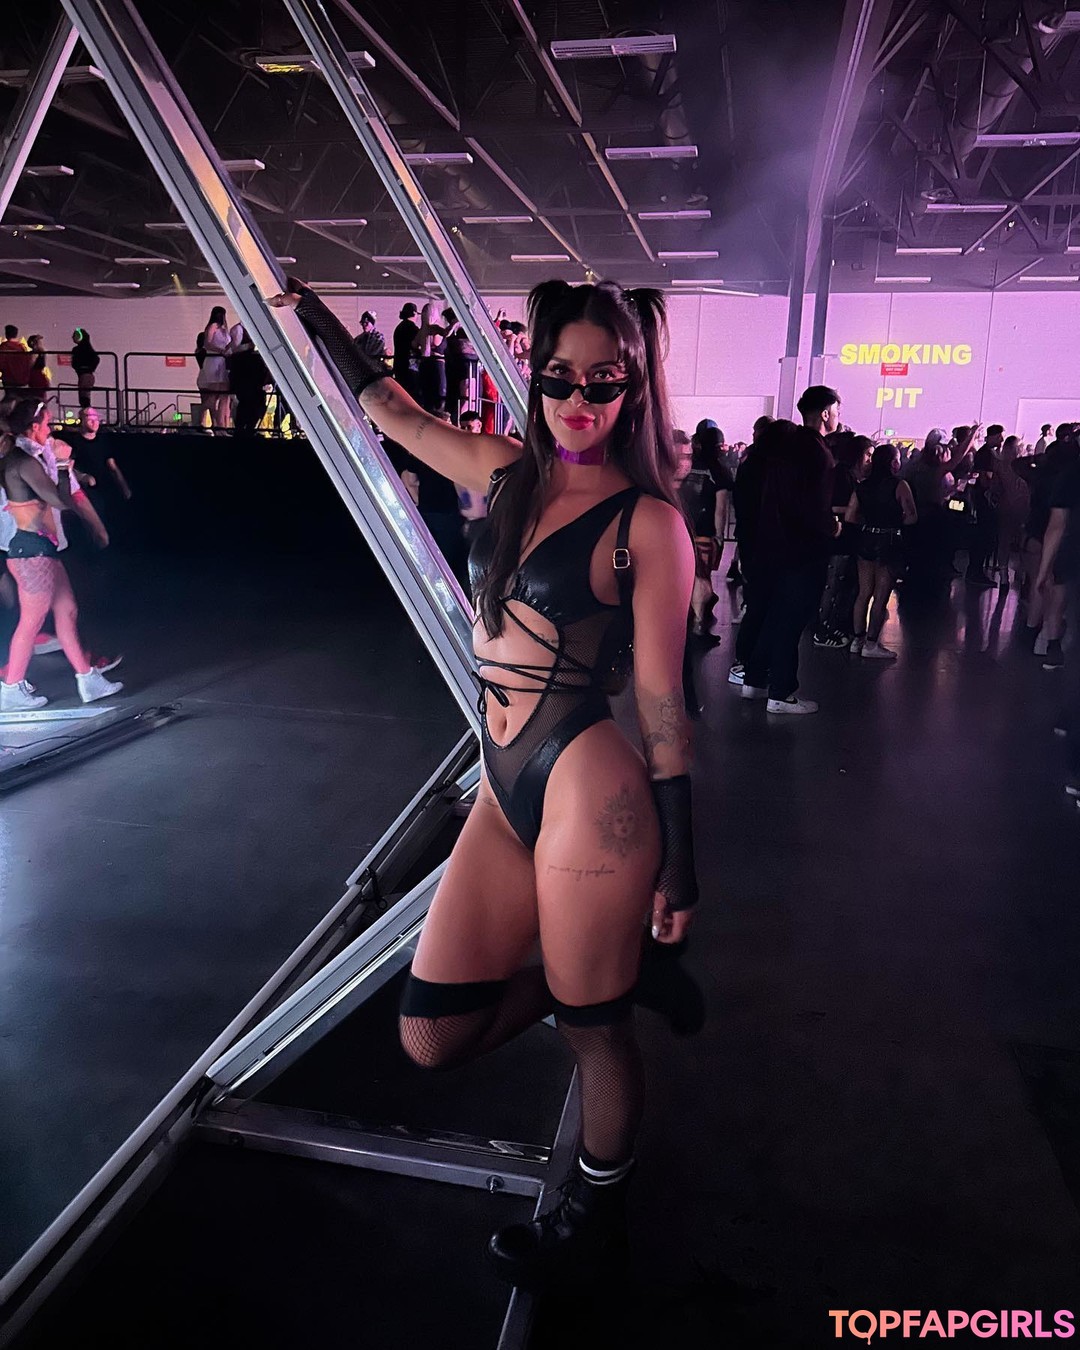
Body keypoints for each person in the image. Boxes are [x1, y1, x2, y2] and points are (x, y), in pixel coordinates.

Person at [270, 274, 699, 1288]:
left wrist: (681, 868)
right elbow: (397, 416)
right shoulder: (507, 472)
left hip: (589, 786)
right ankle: (612, 972)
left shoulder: (649, 524)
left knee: (593, 1035)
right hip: (503, 786)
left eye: (605, 381)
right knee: (431, 1032)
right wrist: (319, 321)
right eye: (559, 378)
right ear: (535, 377)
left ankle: (597, 1220)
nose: (579, 401)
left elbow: (662, 703)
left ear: (635, 388)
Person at [0, 400, 122, 711]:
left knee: (67, 611)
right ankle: (11, 687)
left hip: (42, 549)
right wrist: (66, 466)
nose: (51, 428)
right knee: (31, 620)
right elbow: (58, 500)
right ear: (33, 428)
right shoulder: (23, 462)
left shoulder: (30, 458)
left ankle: (88, 679)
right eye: (47, 423)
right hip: (30, 551)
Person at [740, 387, 840, 714]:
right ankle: (781, 692)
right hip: (804, 548)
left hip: (774, 544)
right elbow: (813, 505)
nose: (837, 417)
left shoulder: (787, 447)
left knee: (774, 614)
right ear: (825, 413)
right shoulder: (817, 452)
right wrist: (831, 527)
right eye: (836, 411)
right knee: (792, 619)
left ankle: (755, 680)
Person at [846, 444, 917, 659]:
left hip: (865, 539)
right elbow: (911, 517)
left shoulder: (862, 486)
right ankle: (871, 644)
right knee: (881, 595)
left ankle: (857, 640)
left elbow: (850, 516)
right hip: (889, 542)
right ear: (893, 463)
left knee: (863, 592)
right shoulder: (899, 485)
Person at [678, 424, 732, 635]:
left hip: (680, 530)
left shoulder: (685, 466)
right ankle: (698, 623)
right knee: (701, 576)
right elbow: (720, 509)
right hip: (704, 533)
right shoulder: (718, 472)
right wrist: (719, 535)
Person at [227, 328, 272, 436]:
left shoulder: (236, 358)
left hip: (243, 390)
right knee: (254, 409)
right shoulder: (256, 359)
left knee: (243, 410)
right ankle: (248, 430)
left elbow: (232, 374)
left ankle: (241, 431)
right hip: (254, 390)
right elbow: (261, 373)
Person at [196, 306, 232, 429]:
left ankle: (222, 424)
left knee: (224, 395)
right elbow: (207, 344)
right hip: (214, 360)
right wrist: (220, 350)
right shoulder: (212, 327)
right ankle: (204, 421)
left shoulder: (224, 329)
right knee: (213, 395)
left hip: (222, 362)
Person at [415, 301, 448, 413]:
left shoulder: (422, 331)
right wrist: (455, 324)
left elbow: (413, 344)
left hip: (425, 364)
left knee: (427, 397)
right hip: (438, 364)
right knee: (440, 396)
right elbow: (447, 333)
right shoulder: (435, 329)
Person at [392, 302, 421, 397]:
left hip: (399, 364)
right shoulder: (413, 328)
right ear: (414, 313)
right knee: (413, 394)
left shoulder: (399, 328)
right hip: (410, 366)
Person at [71, 328, 101, 410]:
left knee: (84, 399)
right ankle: (87, 413)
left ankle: (87, 414)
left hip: (85, 376)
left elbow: (74, 363)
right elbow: (96, 359)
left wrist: (83, 367)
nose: (72, 337)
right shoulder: (88, 349)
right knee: (84, 397)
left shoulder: (77, 350)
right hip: (86, 375)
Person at [0, 325, 32, 399]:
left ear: (6, 334)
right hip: (21, 380)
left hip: (8, 379)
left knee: (9, 399)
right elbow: (27, 363)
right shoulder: (21, 348)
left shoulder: (3, 347)